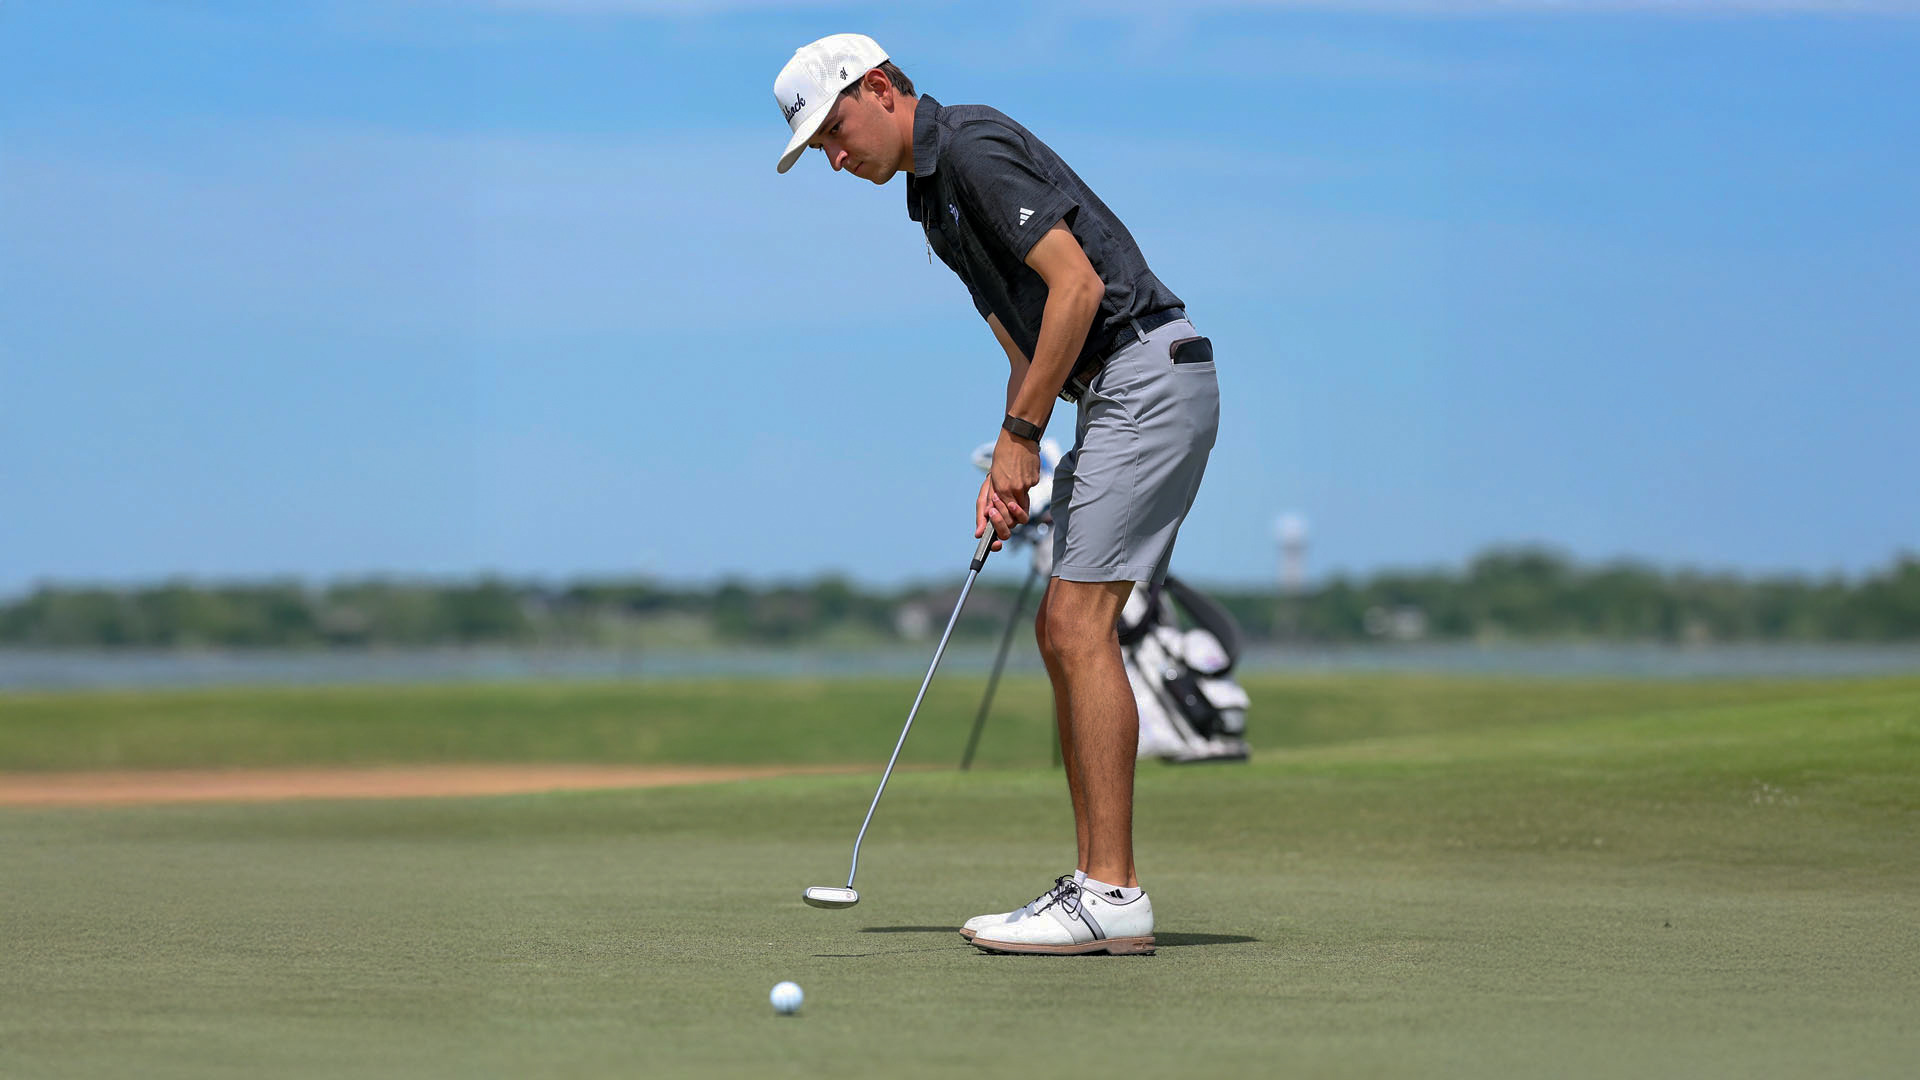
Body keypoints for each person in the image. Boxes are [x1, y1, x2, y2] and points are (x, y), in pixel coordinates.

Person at [772, 33, 1218, 956]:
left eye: (835, 131)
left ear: (882, 89)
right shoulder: (930, 204)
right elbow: (1026, 347)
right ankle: (1103, 886)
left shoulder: (971, 145)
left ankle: (1110, 891)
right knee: (1067, 626)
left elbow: (1078, 288)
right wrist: (1010, 465)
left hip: (1143, 373)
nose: (836, 156)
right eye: (820, 148)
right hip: (1115, 390)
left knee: (1074, 625)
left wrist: (1022, 440)